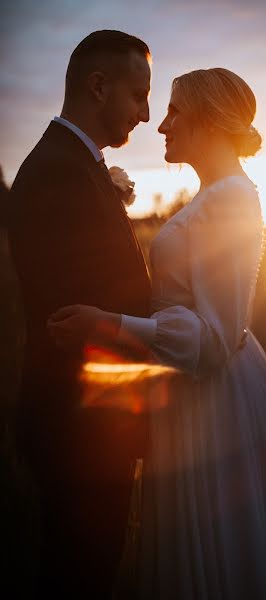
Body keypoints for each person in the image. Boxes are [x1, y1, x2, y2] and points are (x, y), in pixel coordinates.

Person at [49, 68, 266, 598]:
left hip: (214, 399)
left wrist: (106, 325)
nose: (161, 125)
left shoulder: (231, 201)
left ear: (209, 119)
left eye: (175, 110)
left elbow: (215, 340)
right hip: (189, 394)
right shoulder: (213, 197)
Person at [7, 31, 152, 598]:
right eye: (138, 96)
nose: (145, 113)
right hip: (80, 432)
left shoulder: (78, 166)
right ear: (98, 86)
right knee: (79, 577)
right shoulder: (58, 173)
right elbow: (75, 317)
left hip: (88, 426)